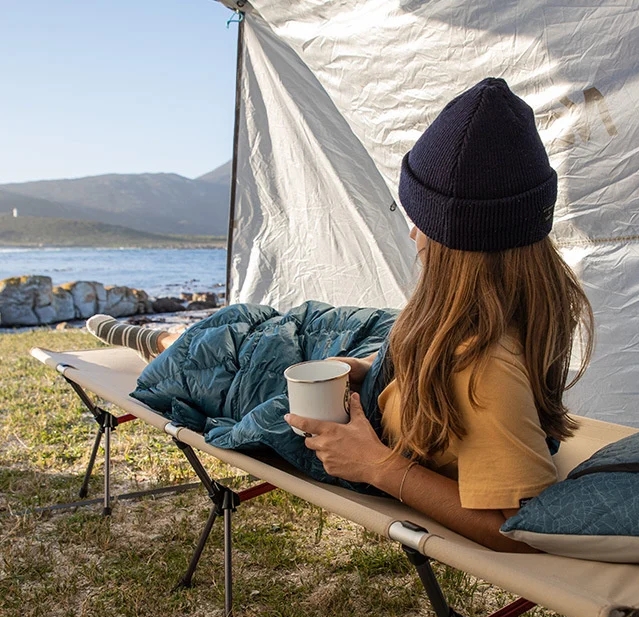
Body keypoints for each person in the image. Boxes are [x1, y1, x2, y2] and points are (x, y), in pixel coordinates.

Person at [87, 78, 593, 553]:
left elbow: (516, 528)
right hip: (379, 362)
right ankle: (164, 336)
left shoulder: (488, 368)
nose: (413, 236)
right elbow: (446, 383)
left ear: (459, 241)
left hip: (371, 417)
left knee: (222, 356)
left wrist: (377, 466)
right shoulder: (508, 307)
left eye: (420, 222)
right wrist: (371, 369)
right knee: (263, 329)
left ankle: (157, 340)